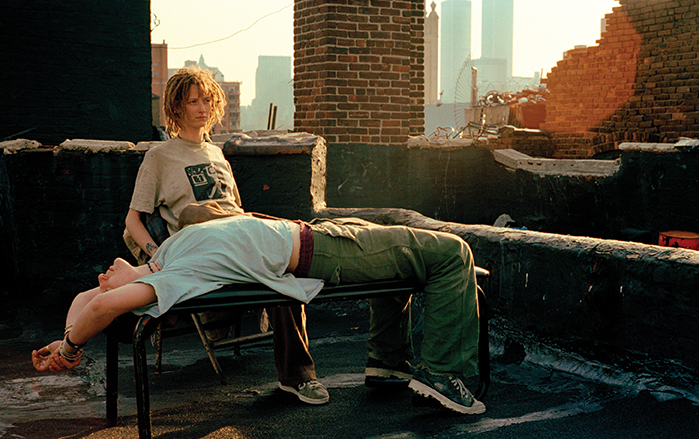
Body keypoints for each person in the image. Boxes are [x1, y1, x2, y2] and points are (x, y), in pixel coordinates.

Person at [33, 210, 485, 415]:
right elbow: (103, 305)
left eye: (100, 278)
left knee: (412, 249)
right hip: (322, 252)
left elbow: (87, 305)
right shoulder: (172, 278)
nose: (102, 275)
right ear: (140, 294)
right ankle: (444, 376)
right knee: (452, 252)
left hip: (319, 233)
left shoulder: (167, 252)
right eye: (103, 281)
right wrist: (72, 349)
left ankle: (387, 364)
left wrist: (65, 335)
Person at [122, 66, 326, 405]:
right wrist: (157, 256)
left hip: (237, 238)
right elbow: (133, 220)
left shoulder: (217, 153)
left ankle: (298, 378)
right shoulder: (159, 157)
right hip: (199, 248)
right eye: (192, 102)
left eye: (207, 100)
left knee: (284, 274)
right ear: (176, 107)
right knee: (195, 214)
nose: (202, 108)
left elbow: (235, 211)